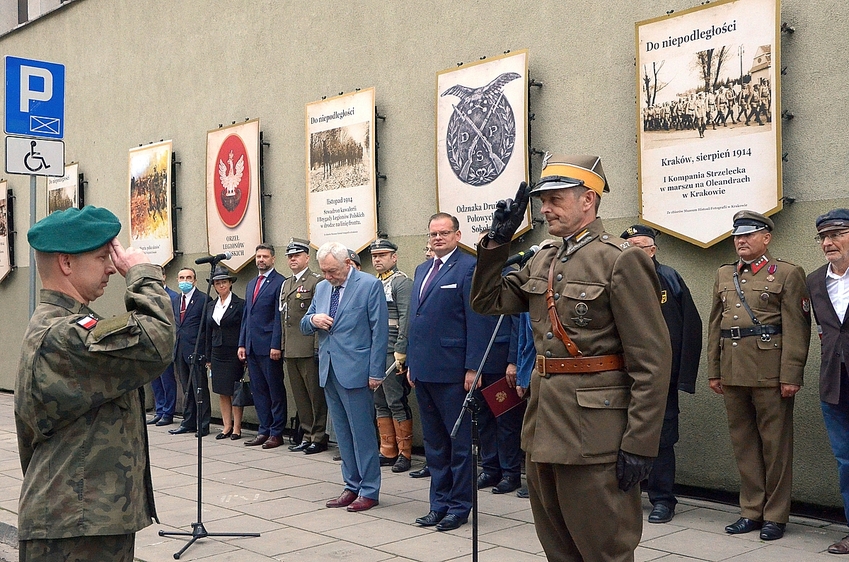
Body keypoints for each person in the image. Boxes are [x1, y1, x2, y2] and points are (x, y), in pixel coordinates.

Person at [470, 154, 672, 561]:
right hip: (543, 425)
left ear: (588, 200)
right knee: (559, 550)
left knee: (604, 550)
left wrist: (640, 442)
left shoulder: (620, 258)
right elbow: (487, 300)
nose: (545, 209)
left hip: (596, 432)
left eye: (556, 199)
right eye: (543, 201)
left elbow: (651, 360)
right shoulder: (543, 258)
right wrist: (497, 243)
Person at [15, 206, 175, 560]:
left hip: (84, 519)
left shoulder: (73, 324)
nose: (110, 268)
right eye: (102, 257)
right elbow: (157, 341)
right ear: (66, 264)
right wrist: (142, 274)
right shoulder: (62, 334)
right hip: (75, 525)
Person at [707, 210, 811, 541]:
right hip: (733, 370)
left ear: (765, 238)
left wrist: (791, 374)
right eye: (737, 235)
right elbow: (715, 326)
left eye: (748, 235)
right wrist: (713, 370)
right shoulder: (724, 274)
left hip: (770, 372)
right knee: (744, 445)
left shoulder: (787, 273)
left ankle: (776, 516)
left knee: (775, 446)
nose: (741, 240)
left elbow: (797, 328)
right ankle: (751, 510)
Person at [407, 212, 493, 532]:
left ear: (458, 235)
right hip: (425, 370)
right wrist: (413, 363)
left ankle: (459, 507)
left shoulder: (469, 268)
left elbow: (478, 321)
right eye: (433, 234)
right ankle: (438, 504)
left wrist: (474, 367)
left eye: (444, 233)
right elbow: (416, 322)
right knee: (435, 445)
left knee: (458, 446)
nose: (438, 238)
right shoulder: (422, 269)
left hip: (454, 372)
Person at [621, 225, 703, 524]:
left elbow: (690, 328)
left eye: (640, 246)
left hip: (658, 376)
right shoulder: (615, 279)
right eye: (628, 246)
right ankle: (626, 495)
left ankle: (662, 499)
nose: (633, 251)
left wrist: (682, 376)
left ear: (652, 250)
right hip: (620, 375)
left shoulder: (668, 277)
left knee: (661, 437)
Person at [301, 242, 389, 513]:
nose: (328, 276)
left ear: (348, 264)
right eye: (324, 271)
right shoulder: (323, 287)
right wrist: (314, 318)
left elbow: (380, 331)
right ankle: (351, 485)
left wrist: (376, 371)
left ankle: (369, 489)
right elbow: (305, 324)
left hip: (357, 370)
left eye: (333, 271)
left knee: (362, 432)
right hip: (329, 369)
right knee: (342, 433)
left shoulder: (368, 285)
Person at [805, 209, 849, 554]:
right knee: (846, 460)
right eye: (823, 237)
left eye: (836, 234)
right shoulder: (816, 281)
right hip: (834, 384)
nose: (828, 242)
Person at [369, 238, 415, 473]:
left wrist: (401, 349)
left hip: (392, 351)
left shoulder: (402, 283)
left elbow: (407, 318)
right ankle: (387, 449)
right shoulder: (373, 282)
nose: (377, 259)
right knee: (379, 402)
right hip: (375, 352)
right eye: (375, 256)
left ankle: (405, 454)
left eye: (382, 255)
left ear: (394, 257)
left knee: (396, 400)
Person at [280, 237, 328, 454]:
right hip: (291, 348)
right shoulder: (286, 283)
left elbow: (318, 316)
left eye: (296, 255)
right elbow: (284, 319)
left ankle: (318, 436)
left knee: (315, 395)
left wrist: (317, 347)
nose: (292, 259)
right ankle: (306, 434)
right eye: (290, 256)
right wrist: (283, 346)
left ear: (307, 258)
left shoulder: (315, 282)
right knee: (300, 395)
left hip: (309, 347)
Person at [239, 243, 287, 449]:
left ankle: (276, 433)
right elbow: (246, 316)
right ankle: (263, 429)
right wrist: (242, 343)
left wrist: (276, 344)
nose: (261, 260)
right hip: (251, 346)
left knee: (274, 390)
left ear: (273, 259)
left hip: (269, 347)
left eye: (265, 256)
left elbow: (279, 317)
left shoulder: (280, 282)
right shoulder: (251, 284)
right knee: (258, 391)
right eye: (258, 256)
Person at [204, 265, 246, 440]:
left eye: (224, 282)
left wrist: (243, 348)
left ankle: (237, 427)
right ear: (213, 286)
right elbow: (208, 331)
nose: (221, 286)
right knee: (222, 390)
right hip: (217, 352)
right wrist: (207, 356)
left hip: (234, 352)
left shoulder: (239, 304)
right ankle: (226, 425)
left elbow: (244, 328)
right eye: (217, 283)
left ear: (230, 284)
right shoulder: (211, 305)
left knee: (235, 389)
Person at [168, 267, 212, 437]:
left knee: (199, 388)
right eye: (181, 277)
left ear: (195, 280)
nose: (184, 281)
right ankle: (188, 422)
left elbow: (206, 329)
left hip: (196, 350)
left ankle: (203, 424)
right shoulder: (176, 300)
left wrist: (206, 353)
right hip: (180, 349)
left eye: (188, 277)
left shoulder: (203, 299)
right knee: (187, 388)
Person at [148, 266, 179, 426]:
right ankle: (159, 410)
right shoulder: (149, 297)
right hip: (152, 345)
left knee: (167, 381)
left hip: (166, 345)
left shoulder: (173, 297)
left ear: (165, 276)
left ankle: (168, 412)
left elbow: (175, 324)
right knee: (156, 381)